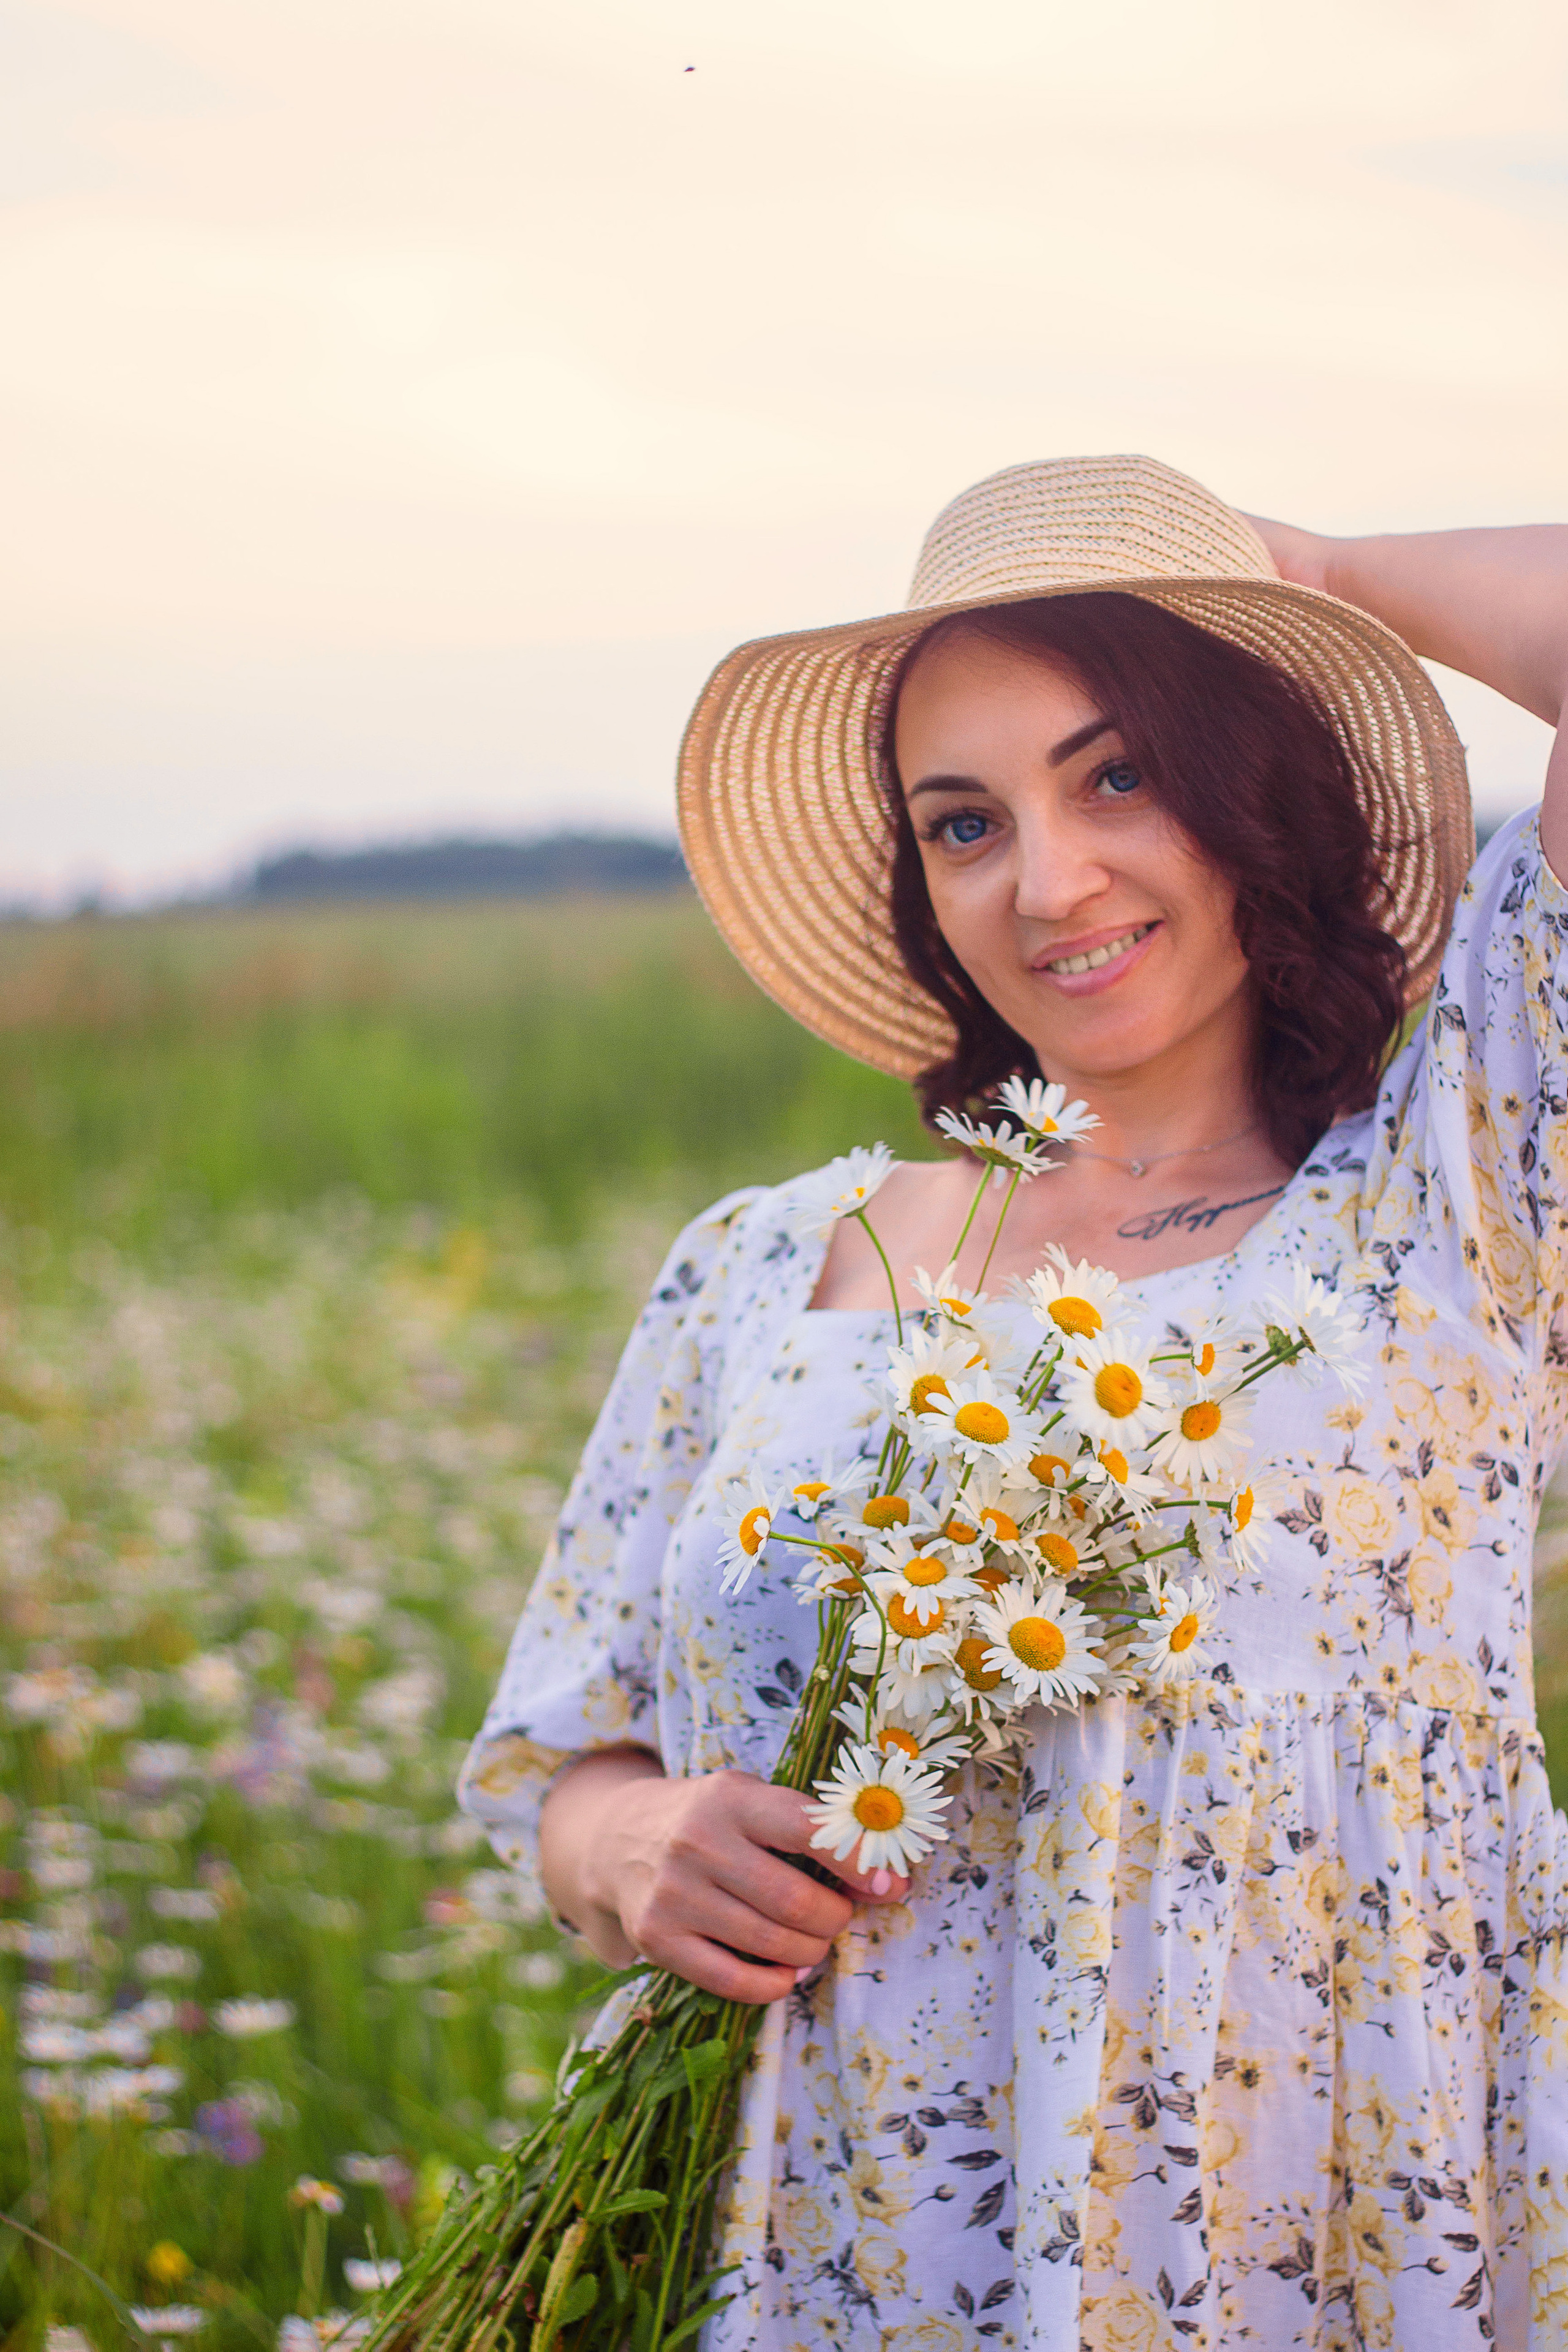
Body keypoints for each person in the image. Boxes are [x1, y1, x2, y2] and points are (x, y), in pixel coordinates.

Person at [459, 455, 1568, 2348]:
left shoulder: (1456, 1197)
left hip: (1319, 2238)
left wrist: (1299, 577)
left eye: (1119, 772)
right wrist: (630, 1851)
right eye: (964, 825)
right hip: (835, 2246)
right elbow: (560, 1756)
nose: (1048, 882)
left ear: (1260, 793)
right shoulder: (767, 1261)